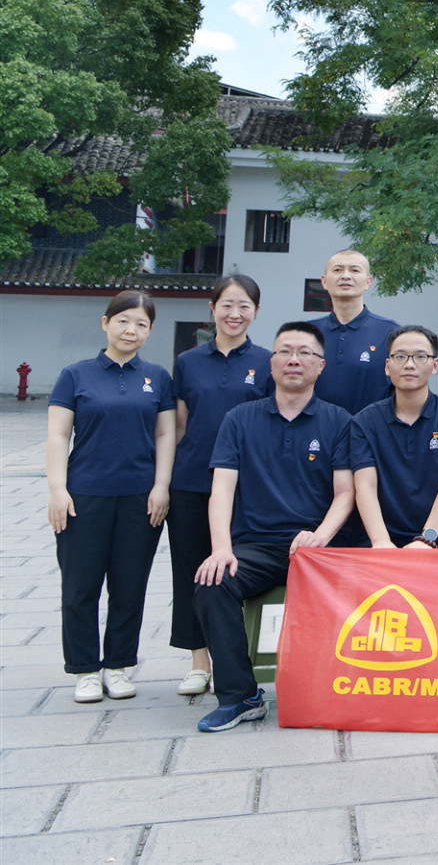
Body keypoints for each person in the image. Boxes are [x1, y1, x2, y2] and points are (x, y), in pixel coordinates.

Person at [192, 322, 356, 732]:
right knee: (212, 582)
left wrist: (320, 536)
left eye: (304, 353)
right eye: (285, 351)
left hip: (318, 551)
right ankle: (240, 696)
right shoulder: (239, 419)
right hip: (258, 547)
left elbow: (345, 493)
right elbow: (222, 490)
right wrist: (221, 549)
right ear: (271, 363)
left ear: (320, 365)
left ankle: (338, 687)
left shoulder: (338, 420)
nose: (294, 360)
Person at [47, 291, 177, 704]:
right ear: (105, 323)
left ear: (149, 330)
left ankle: (118, 666)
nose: (130, 330)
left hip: (139, 498)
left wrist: (161, 485)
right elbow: (58, 435)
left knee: (129, 587)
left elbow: (166, 434)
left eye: (140, 324)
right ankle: (85, 669)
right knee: (80, 587)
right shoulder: (75, 375)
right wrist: (57, 489)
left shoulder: (157, 377)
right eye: (123, 320)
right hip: (84, 496)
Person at [167, 275, 272, 696]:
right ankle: (199, 662)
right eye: (227, 304)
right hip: (192, 482)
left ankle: (239, 658)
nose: (235, 313)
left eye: (244, 305)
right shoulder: (188, 362)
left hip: (246, 487)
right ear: (212, 309)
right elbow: (179, 425)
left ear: (256, 312)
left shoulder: (267, 361)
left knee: (234, 571)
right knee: (191, 572)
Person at [351, 327, 438, 549]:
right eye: (400, 356)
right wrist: (381, 541)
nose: (409, 365)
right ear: (387, 366)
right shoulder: (364, 421)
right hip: (379, 539)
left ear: (435, 365)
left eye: (420, 357)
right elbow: (365, 486)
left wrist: (427, 538)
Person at [309, 248, 400, 414]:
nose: (346, 276)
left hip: (371, 427)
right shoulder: (307, 333)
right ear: (324, 281)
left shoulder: (391, 333)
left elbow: (401, 391)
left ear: (368, 282)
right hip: (315, 428)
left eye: (355, 270)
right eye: (337, 270)